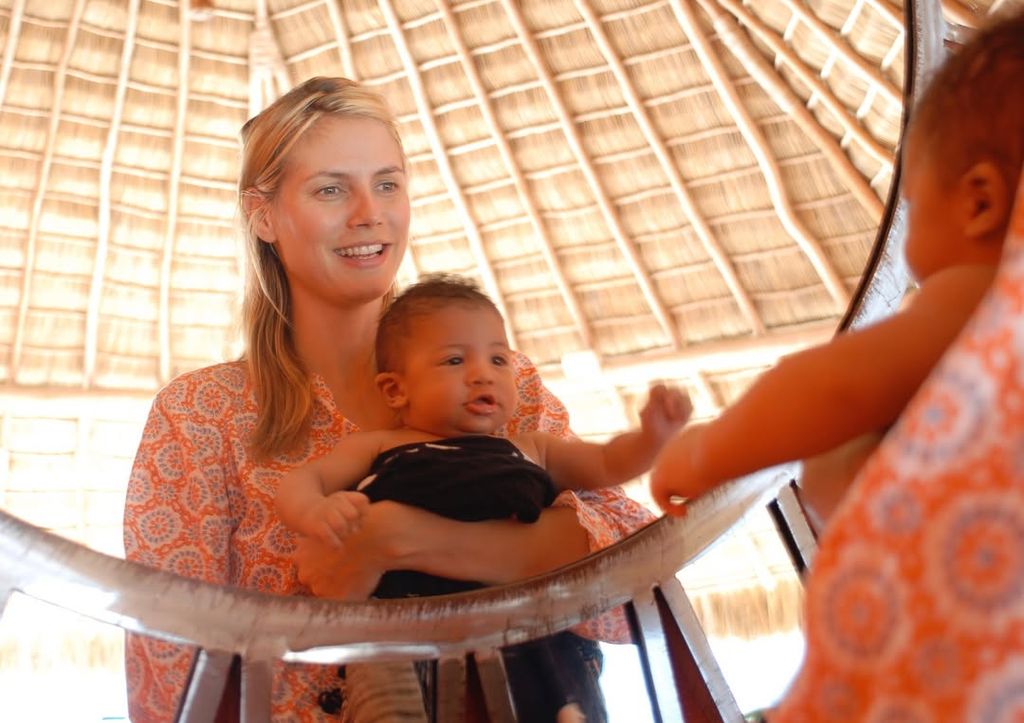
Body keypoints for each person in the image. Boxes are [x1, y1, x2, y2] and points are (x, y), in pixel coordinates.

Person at [122, 76, 658, 722]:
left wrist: (397, 538)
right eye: (330, 189)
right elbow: (170, 680)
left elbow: (642, 582)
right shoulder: (199, 417)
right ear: (263, 215)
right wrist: (528, 549)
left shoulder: (496, 379)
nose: (368, 213)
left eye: (387, 183)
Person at [649, 9, 1024, 527]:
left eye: (914, 206)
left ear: (978, 204)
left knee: (839, 458)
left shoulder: (991, 293)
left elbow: (833, 389)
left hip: (981, 585)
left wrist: (701, 453)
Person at [276, 274, 690, 721]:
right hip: (399, 633)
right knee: (387, 700)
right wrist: (316, 511)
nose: (481, 375)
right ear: (397, 389)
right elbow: (303, 480)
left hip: (524, 628)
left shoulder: (533, 447)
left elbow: (609, 463)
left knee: (557, 689)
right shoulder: (379, 445)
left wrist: (652, 439)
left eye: (498, 360)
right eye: (454, 361)